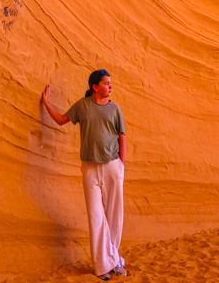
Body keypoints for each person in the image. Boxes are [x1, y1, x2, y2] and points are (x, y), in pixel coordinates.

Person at [41, 69, 126, 280]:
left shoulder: (115, 109)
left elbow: (122, 137)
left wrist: (121, 166)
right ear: (95, 87)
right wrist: (46, 103)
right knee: (96, 217)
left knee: (114, 217)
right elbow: (61, 120)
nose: (110, 86)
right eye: (106, 83)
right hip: (89, 169)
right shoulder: (82, 105)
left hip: (112, 167)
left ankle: (113, 260)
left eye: (110, 83)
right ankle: (103, 267)